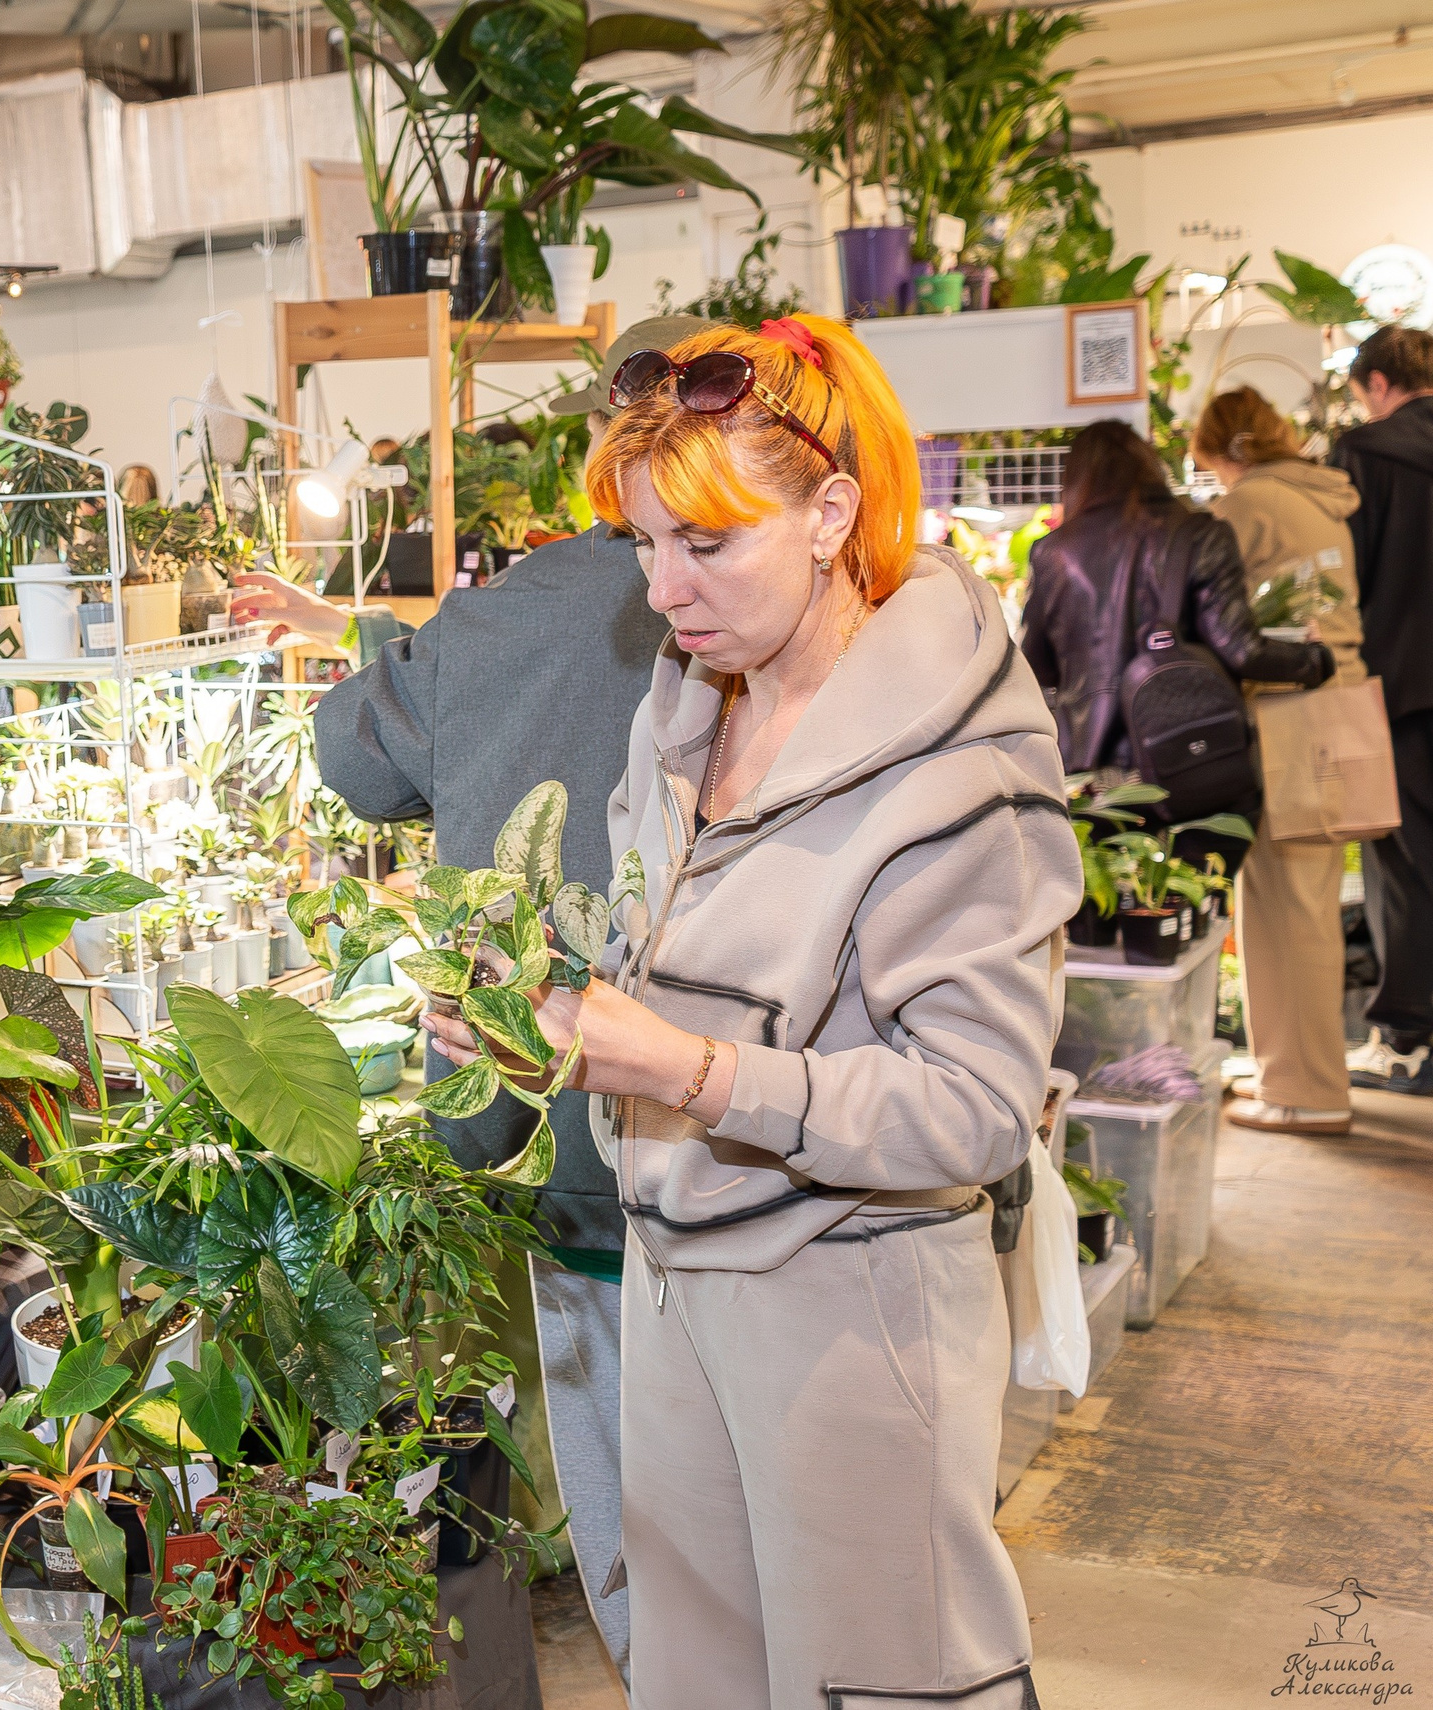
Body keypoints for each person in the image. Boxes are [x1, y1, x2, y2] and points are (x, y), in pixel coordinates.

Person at [423, 314, 1078, 1709]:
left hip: (851, 1319)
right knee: (697, 1674)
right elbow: (658, 980)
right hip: (674, 1297)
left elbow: (973, 1110)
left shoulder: (957, 771)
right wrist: (542, 1031)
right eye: (647, 544)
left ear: (834, 509)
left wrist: (698, 1071)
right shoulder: (690, 717)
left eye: (707, 544)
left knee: (880, 1675)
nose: (664, 587)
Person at [228, 315, 710, 1682]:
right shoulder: (824, 610)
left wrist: (389, 638)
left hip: (562, 1142)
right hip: (758, 1163)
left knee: (632, 1509)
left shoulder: (515, 613)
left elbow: (358, 764)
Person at [1192, 390, 1365, 1135]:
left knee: (1283, 907)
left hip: (1289, 712)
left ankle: (1304, 1093)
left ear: (1230, 450)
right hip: (1337, 707)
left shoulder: (1249, 503)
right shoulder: (1317, 494)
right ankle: (1296, 1075)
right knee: (1305, 902)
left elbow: (1202, 600)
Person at [1022, 419, 1331, 791]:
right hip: (1189, 757)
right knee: (1197, 847)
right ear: (1150, 468)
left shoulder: (1053, 553)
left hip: (1091, 768)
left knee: (1105, 847)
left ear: (1076, 480)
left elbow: (1034, 666)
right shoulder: (1201, 534)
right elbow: (1240, 650)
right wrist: (1314, 660)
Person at [1331, 325, 1433, 1094]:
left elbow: (1342, 586)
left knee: (1402, 863)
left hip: (1398, 687)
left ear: (1375, 384)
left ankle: (1406, 1034)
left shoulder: (1366, 454)